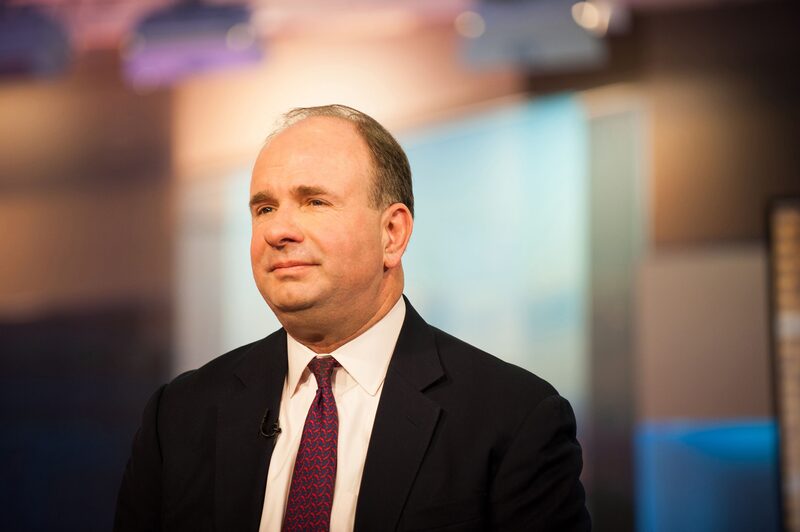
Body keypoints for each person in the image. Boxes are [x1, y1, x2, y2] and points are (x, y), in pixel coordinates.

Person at [114, 104, 591, 531]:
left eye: (314, 201)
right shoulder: (179, 416)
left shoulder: (513, 419)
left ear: (392, 234)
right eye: (264, 208)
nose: (278, 229)